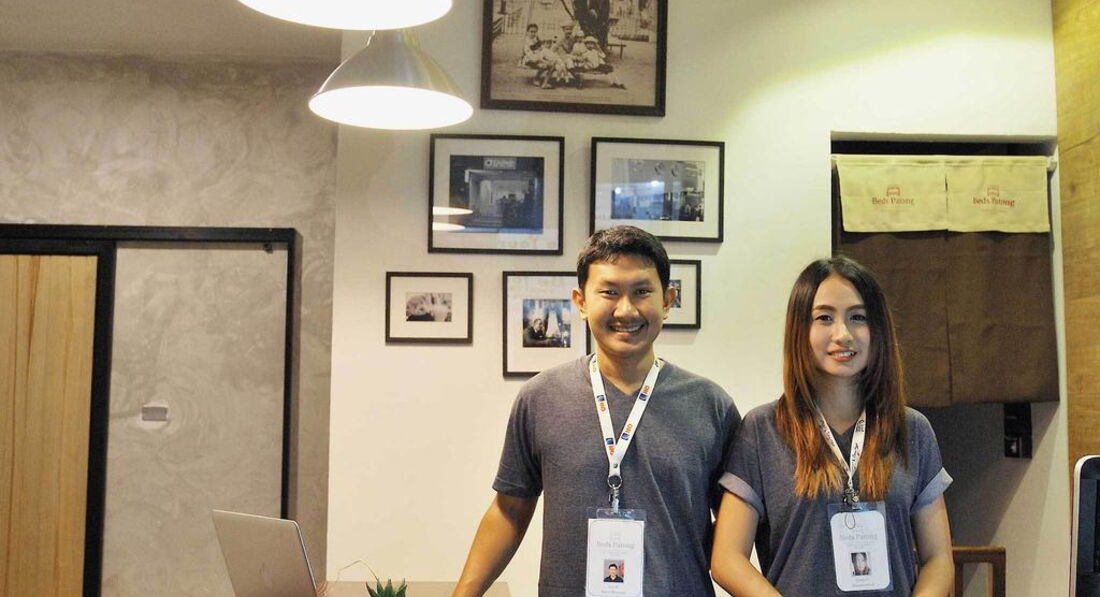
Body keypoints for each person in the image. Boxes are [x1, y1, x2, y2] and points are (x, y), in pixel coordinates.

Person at [451, 226, 740, 597]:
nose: (626, 309)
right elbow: (509, 510)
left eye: (642, 292)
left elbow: (736, 531)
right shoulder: (541, 398)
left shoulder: (711, 406)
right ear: (581, 301)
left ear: (668, 300)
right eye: (609, 292)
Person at [710, 256, 954, 597]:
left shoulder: (912, 430)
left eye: (858, 317)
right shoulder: (762, 430)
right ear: (800, 329)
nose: (843, 334)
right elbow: (727, 558)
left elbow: (938, 559)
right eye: (824, 318)